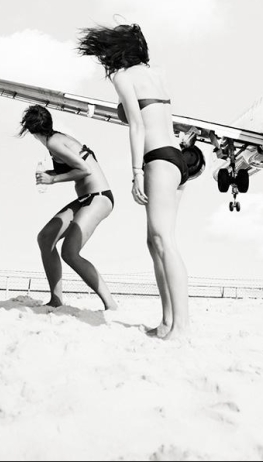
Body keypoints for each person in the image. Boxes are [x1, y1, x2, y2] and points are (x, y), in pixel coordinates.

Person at [78, 22, 191, 339]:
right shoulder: (156, 74)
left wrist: (136, 173)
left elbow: (137, 126)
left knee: (164, 241)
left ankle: (181, 325)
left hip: (157, 159)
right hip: (177, 159)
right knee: (155, 242)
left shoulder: (122, 77)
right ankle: (167, 323)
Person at [18, 104, 116, 311]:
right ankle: (56, 300)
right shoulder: (55, 139)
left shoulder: (54, 142)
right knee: (45, 237)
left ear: (31, 129)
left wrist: (52, 180)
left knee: (70, 252)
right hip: (85, 199)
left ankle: (111, 304)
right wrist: (51, 175)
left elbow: (84, 169)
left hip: (98, 198)